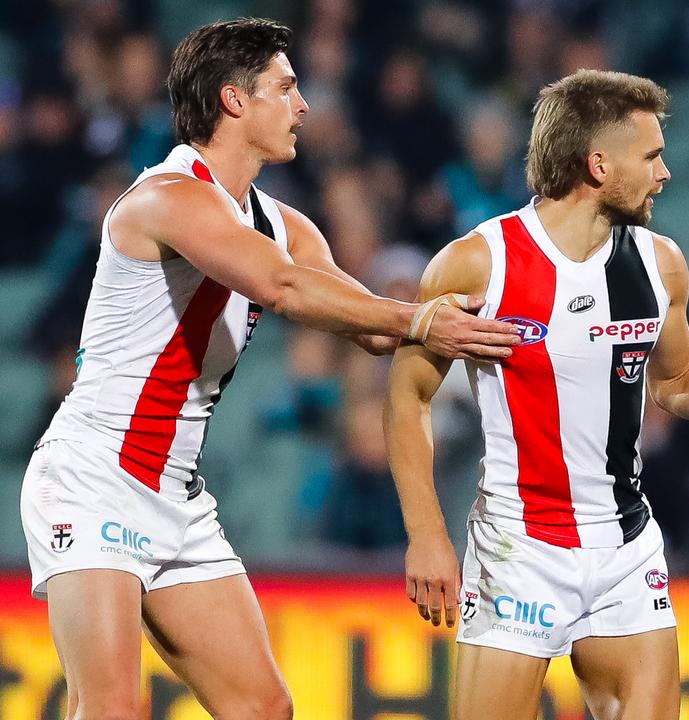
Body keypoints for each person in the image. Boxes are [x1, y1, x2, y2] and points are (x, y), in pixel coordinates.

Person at [18, 18, 519, 720]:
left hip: (175, 492)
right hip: (93, 478)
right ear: (232, 101)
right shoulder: (168, 197)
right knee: (109, 708)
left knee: (263, 708)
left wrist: (473, 306)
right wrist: (417, 319)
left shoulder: (286, 225)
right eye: (285, 88)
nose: (303, 105)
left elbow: (367, 324)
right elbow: (283, 289)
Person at [385, 69, 689, 720]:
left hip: (625, 547)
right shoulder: (478, 264)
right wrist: (426, 536)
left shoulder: (660, 262)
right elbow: (408, 398)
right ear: (599, 163)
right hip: (517, 549)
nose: (665, 175)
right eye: (652, 156)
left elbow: (677, 384)